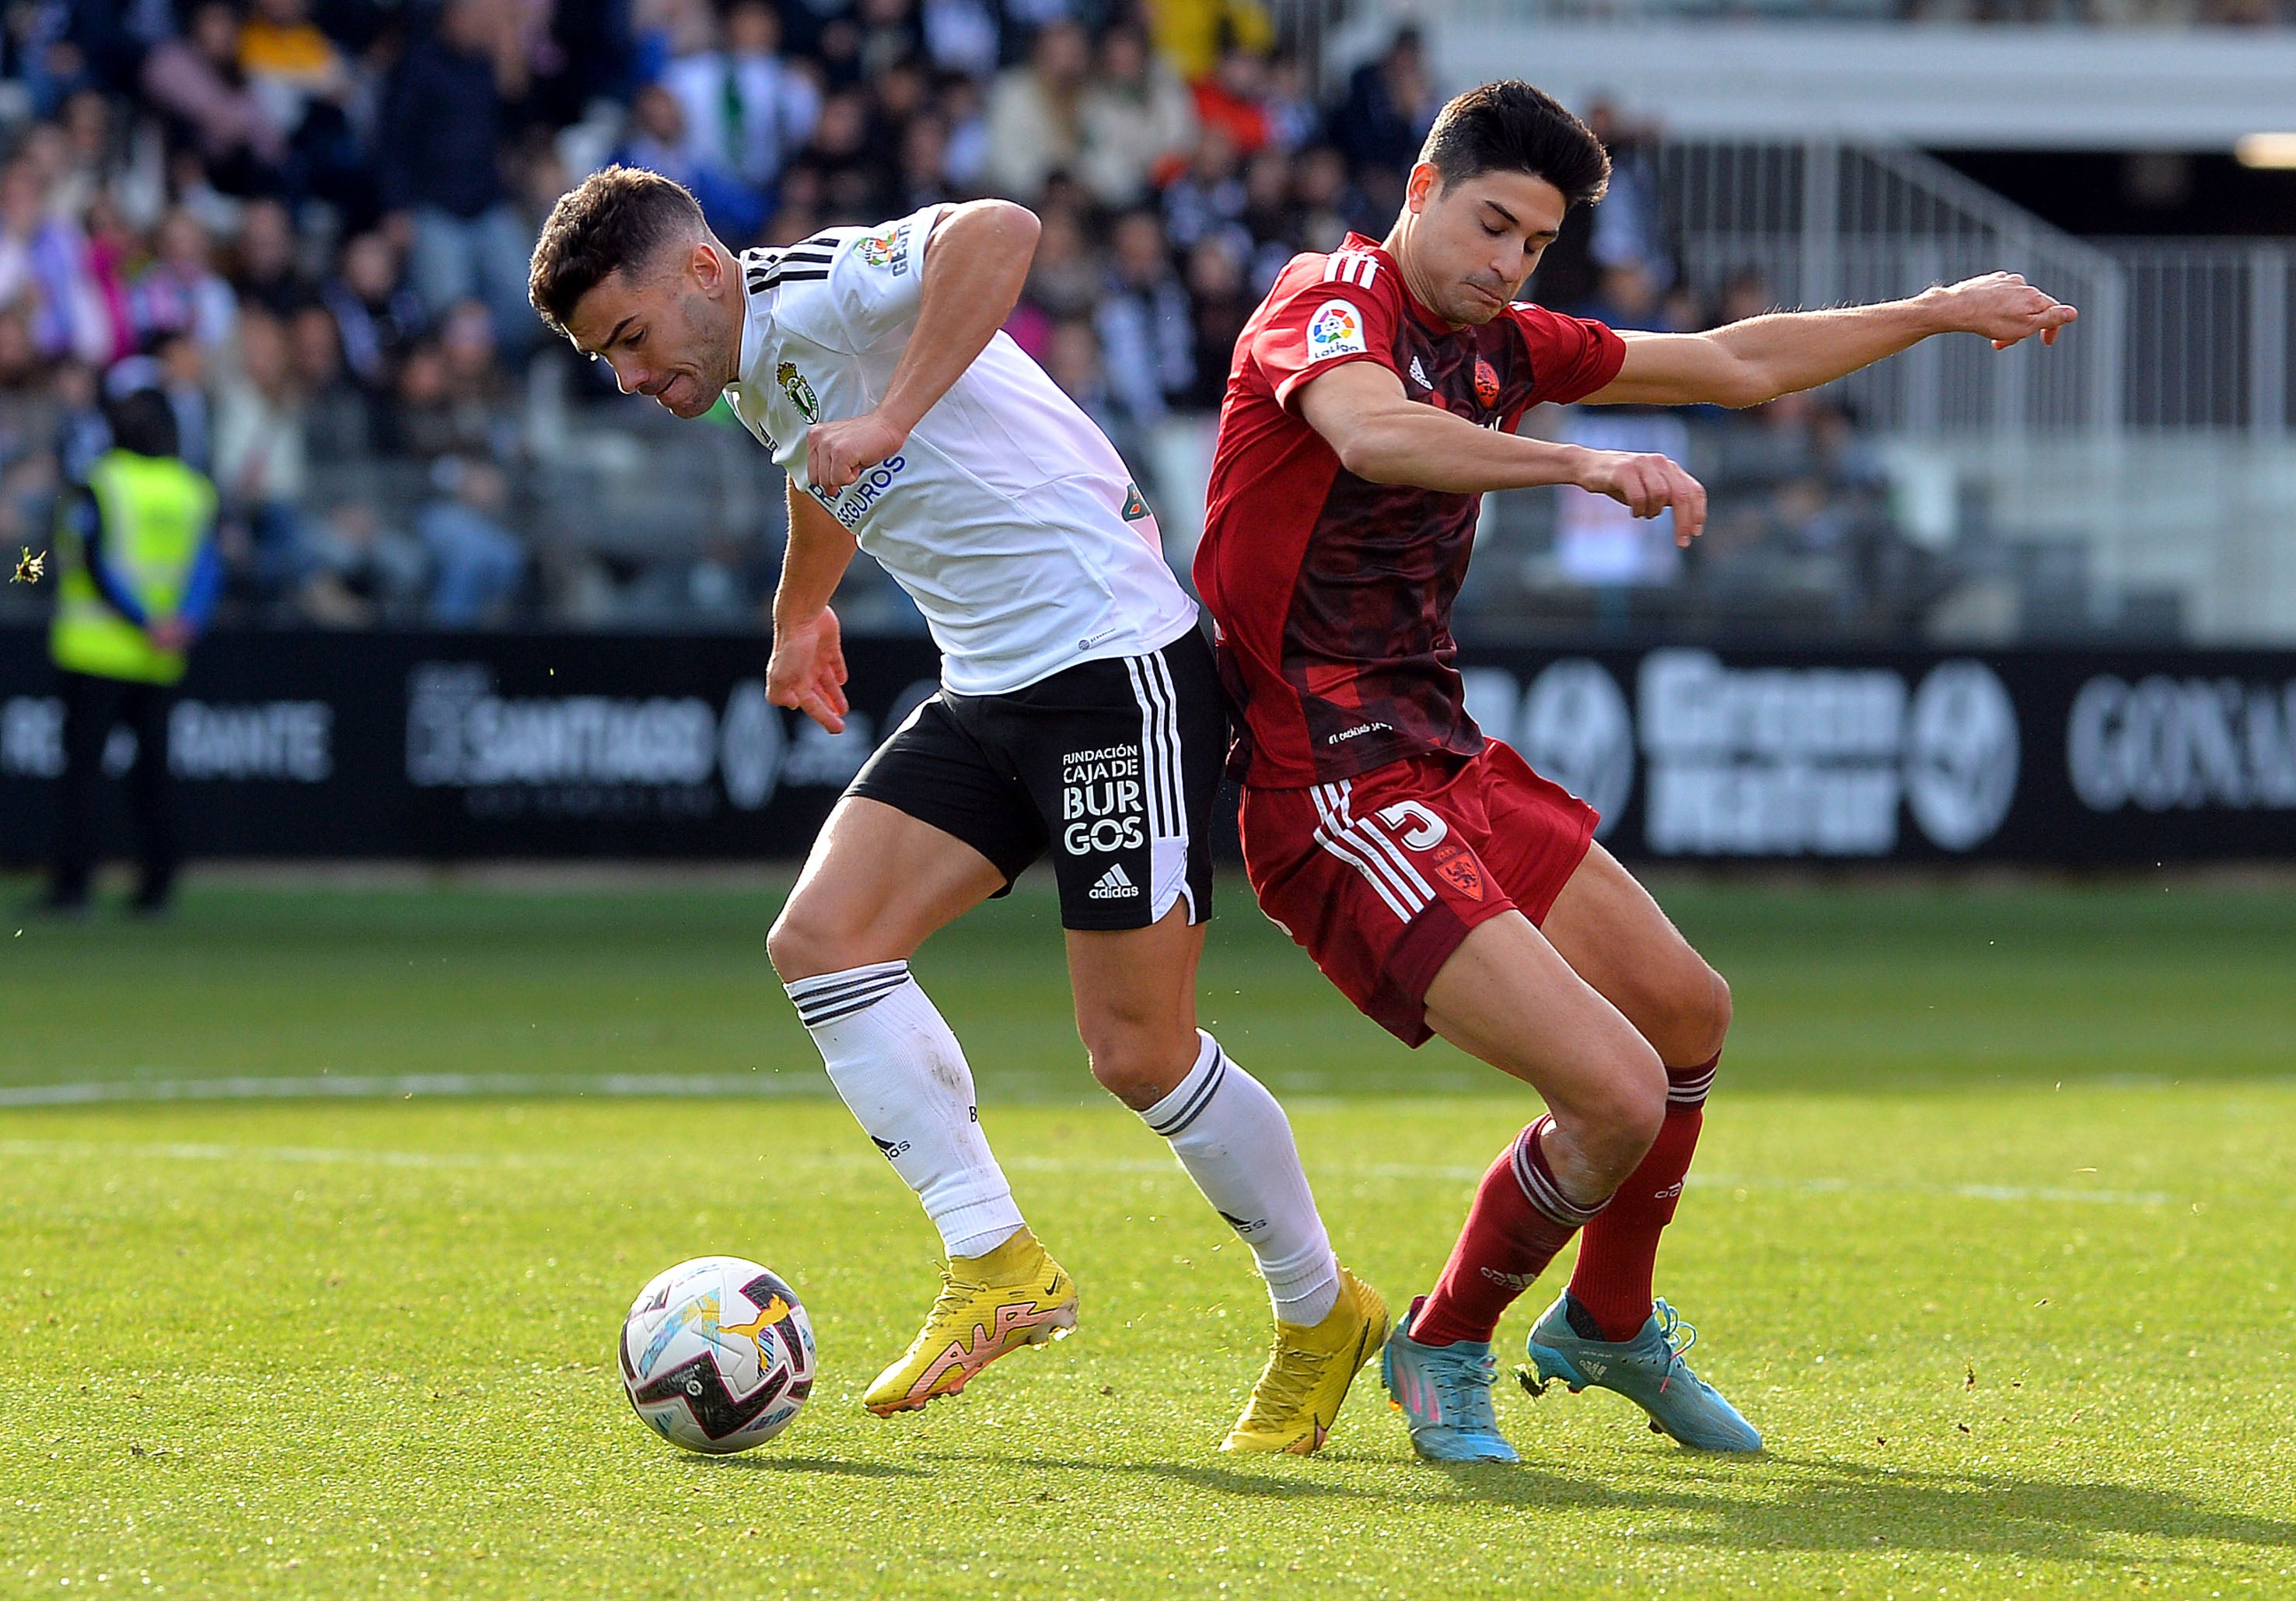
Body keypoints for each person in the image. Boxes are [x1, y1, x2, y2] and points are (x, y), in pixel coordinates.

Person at [1193, 80, 2074, 1464]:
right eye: (1490, 225)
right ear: (1419, 190)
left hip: (1440, 756)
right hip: (1327, 785)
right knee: (1607, 1091)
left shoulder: (1499, 342)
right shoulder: (1331, 294)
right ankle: (1440, 1338)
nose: (1505, 264)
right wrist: (1582, 463)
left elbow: (1731, 362)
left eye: (1534, 244)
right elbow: (1368, 432)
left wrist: (1932, 308)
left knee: (1684, 1012)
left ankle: (1606, 1323)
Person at [527, 168, 1387, 1452]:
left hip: (1113, 667)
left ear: (701, 271)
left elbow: (1003, 232)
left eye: (629, 340)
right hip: (988, 681)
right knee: (822, 939)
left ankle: (1320, 1309)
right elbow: (814, 460)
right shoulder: (747, 363)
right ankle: (994, 1260)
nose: (627, 377)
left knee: (1137, 1050)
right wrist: (799, 611)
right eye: (604, 358)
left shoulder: (819, 287)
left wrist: (894, 416)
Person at [40, 384, 223, 914]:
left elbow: (89, 562)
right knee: (154, 776)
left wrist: (143, 620)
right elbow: (208, 567)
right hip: (161, 655)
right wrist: (182, 622)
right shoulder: (194, 491)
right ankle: (158, 885)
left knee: (83, 775)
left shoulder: (100, 484)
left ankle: (74, 886)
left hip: (95, 649)